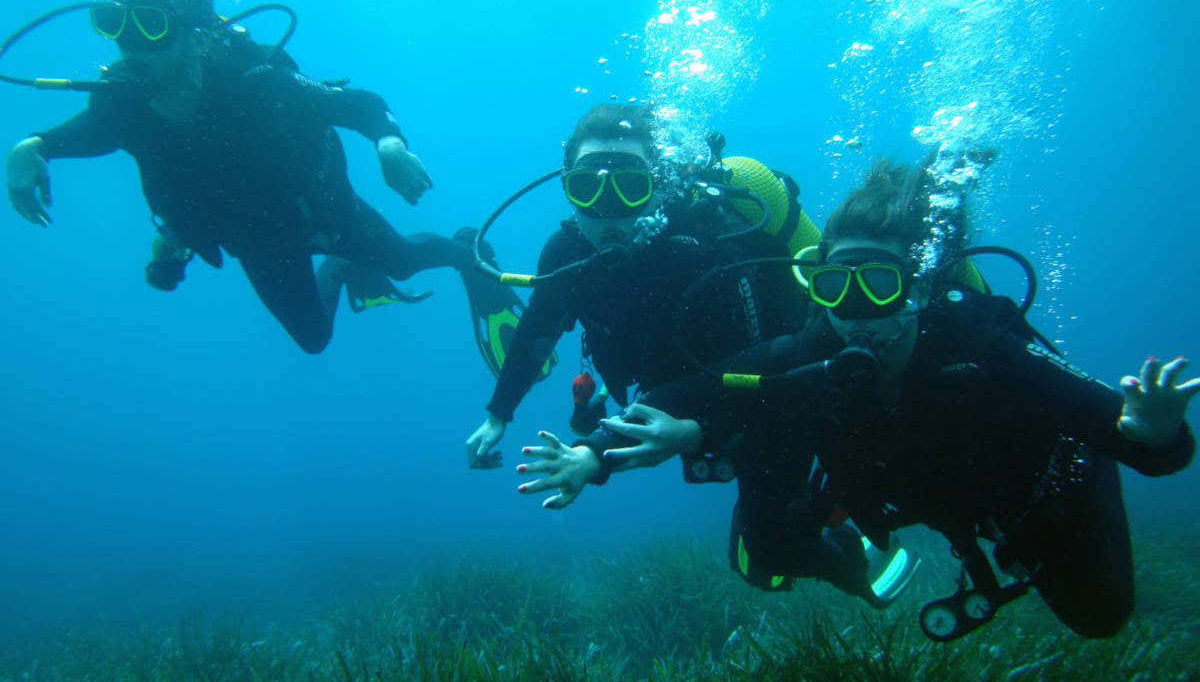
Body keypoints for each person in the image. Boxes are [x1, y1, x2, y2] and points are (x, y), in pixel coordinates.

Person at [535, 159, 1197, 639]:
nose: (855, 311)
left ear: (917, 288)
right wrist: (595, 455)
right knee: (765, 547)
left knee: (1099, 621)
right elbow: (692, 393)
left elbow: (1137, 441)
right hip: (914, 494)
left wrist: (1157, 431)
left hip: (1033, 495)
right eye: (834, 284)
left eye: (878, 284)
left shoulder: (980, 338)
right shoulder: (811, 347)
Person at [470, 103, 915, 606]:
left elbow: (757, 368)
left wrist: (641, 443)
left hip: (775, 396)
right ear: (568, 188)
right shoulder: (566, 254)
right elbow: (537, 332)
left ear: (657, 183)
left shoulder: (699, 249)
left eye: (630, 185)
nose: (610, 209)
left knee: (769, 555)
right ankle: (840, 531)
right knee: (764, 566)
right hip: (681, 404)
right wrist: (498, 412)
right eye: (588, 188)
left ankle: (853, 541)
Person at [5, 0, 519, 360]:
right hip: (256, 241)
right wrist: (35, 145)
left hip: (322, 213)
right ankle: (341, 269)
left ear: (197, 33)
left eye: (151, 24)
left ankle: (464, 249)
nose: (130, 43)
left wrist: (389, 143)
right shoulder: (121, 100)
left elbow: (355, 104)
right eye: (113, 21)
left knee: (404, 263)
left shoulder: (257, 79)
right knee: (313, 340)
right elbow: (92, 131)